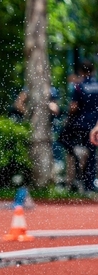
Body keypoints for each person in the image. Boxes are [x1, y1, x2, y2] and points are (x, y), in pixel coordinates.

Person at [59, 60, 98, 193]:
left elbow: (73, 106)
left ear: (81, 71)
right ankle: (89, 187)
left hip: (80, 124)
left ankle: (76, 154)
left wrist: (67, 115)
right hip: (94, 124)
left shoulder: (79, 86)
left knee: (62, 139)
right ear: (92, 71)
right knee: (92, 154)